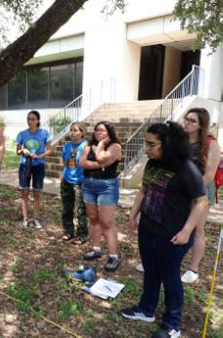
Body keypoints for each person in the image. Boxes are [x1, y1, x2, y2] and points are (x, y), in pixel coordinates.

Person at [121, 122, 208, 338]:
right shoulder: (152, 164)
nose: (147, 149)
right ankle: (146, 310)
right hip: (148, 228)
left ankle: (172, 325)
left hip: (173, 235)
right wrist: (133, 214)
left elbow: (201, 202)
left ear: (167, 144)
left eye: (152, 144)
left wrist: (187, 231)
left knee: (170, 278)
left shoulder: (186, 168)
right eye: (146, 143)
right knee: (151, 272)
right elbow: (144, 190)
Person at [181, 108, 220, 283]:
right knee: (174, 224)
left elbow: (209, 174)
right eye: (186, 119)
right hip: (180, 189)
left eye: (192, 121)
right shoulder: (181, 140)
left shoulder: (210, 143)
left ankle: (193, 269)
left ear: (200, 125)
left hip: (201, 191)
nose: (187, 123)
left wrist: (192, 193)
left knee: (197, 229)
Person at [79, 121, 121, 272]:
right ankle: (96, 249)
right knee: (93, 219)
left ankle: (113, 256)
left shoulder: (115, 146)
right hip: (89, 185)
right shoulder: (88, 146)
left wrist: (101, 146)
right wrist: (100, 164)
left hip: (107, 187)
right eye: (97, 130)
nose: (98, 133)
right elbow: (82, 162)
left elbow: (104, 158)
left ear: (109, 132)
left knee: (107, 223)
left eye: (102, 131)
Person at [16, 110, 53, 229]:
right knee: (24, 192)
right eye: (28, 119)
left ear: (37, 120)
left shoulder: (44, 133)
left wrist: (39, 156)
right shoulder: (22, 134)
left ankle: (36, 218)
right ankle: (25, 218)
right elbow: (17, 151)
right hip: (25, 165)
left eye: (32, 119)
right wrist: (23, 151)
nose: (30, 121)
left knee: (37, 193)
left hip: (38, 166)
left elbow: (50, 150)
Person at [60, 122, 88, 244]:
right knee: (67, 208)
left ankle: (82, 234)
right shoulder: (67, 146)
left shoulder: (86, 146)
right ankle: (68, 231)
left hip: (81, 182)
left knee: (81, 210)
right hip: (66, 181)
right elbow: (64, 162)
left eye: (75, 130)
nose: (72, 132)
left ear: (82, 132)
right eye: (71, 130)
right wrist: (65, 174)